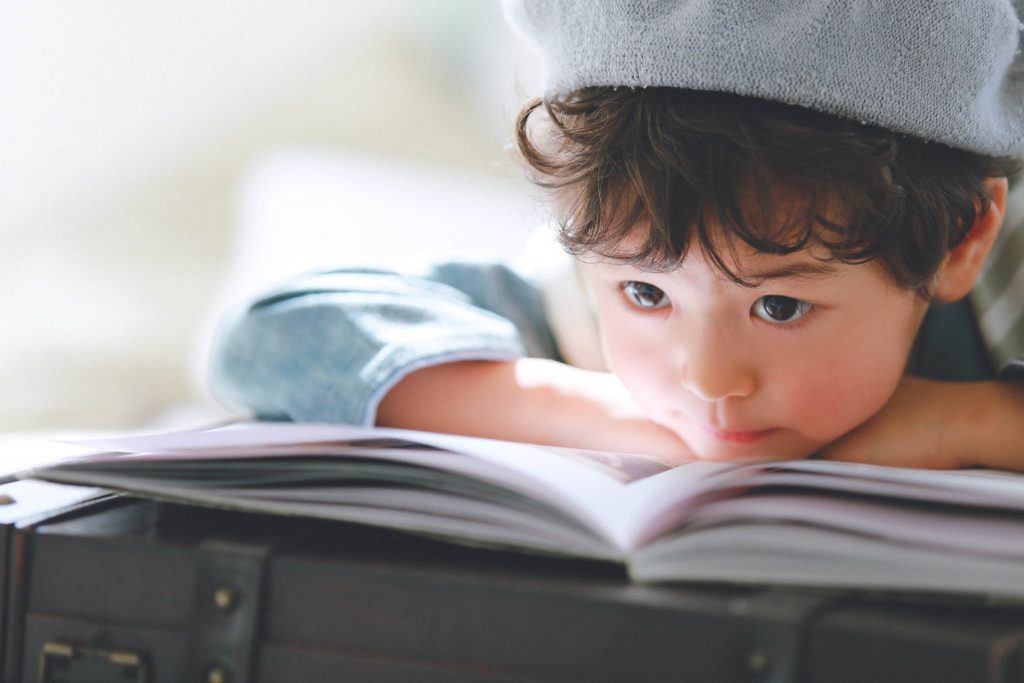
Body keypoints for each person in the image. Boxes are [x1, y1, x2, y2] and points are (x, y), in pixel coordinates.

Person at [209, 0, 1024, 470]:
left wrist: (969, 419)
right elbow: (262, 342)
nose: (708, 379)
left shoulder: (996, 286)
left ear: (962, 240)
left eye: (779, 306)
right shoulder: (554, 313)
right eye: (645, 293)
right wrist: (623, 424)